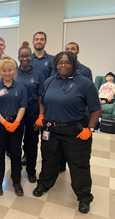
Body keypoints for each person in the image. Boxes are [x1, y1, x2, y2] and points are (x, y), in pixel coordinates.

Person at [33, 51, 101, 214]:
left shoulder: (85, 83)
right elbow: (42, 101)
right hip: (51, 129)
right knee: (49, 159)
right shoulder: (49, 81)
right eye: (60, 63)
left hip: (75, 131)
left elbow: (96, 109)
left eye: (67, 62)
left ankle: (84, 197)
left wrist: (90, 129)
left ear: (73, 64)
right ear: (55, 65)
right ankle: (44, 184)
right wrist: (41, 115)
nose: (63, 65)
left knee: (78, 164)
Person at [0, 55, 27, 196]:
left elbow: (23, 107)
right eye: (4, 70)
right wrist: (4, 122)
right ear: (0, 72)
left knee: (16, 153)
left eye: (10, 70)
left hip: (16, 124)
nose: (7, 73)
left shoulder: (21, 87)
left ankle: (16, 181)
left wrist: (16, 122)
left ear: (14, 71)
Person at [58, 42, 93, 172]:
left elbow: (90, 99)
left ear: (78, 51)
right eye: (67, 49)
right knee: (58, 148)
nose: (70, 50)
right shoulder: (59, 70)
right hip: (59, 116)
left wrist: (90, 126)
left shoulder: (85, 71)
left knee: (75, 153)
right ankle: (60, 166)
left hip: (77, 117)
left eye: (73, 49)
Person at [21, 31, 53, 166]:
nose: (39, 41)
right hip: (27, 102)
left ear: (45, 41)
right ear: (33, 42)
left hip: (46, 101)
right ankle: (26, 155)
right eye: (36, 39)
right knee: (27, 135)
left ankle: (47, 160)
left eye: (42, 39)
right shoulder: (28, 58)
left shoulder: (52, 60)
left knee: (45, 134)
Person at [16, 41, 45, 183]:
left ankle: (31, 171)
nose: (25, 58)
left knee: (32, 141)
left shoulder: (38, 73)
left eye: (27, 56)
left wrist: (41, 115)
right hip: (16, 111)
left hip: (33, 110)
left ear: (31, 57)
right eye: (22, 56)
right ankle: (16, 171)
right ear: (18, 57)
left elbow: (40, 96)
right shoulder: (13, 72)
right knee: (15, 140)